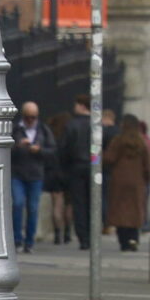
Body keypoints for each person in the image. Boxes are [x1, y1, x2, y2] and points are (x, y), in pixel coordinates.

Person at [11, 101, 56, 254]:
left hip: (36, 174)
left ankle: (29, 241)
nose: (31, 120)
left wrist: (40, 150)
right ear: (23, 116)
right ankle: (17, 239)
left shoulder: (43, 130)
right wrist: (18, 146)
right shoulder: (16, 130)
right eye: (28, 117)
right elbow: (5, 150)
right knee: (17, 204)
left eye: (34, 117)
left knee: (33, 208)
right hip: (18, 173)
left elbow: (52, 151)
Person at [102, 114, 150, 251]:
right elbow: (147, 164)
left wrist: (96, 156)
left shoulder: (118, 141)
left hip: (119, 180)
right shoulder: (142, 142)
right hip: (137, 181)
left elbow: (108, 159)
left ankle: (123, 241)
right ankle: (133, 238)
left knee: (120, 211)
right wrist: (146, 179)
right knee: (135, 211)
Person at [59, 94, 93, 249]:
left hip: (76, 166)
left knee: (79, 203)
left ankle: (83, 238)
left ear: (81, 106)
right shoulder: (96, 125)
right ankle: (92, 235)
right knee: (93, 202)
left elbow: (64, 148)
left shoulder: (71, 125)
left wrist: (64, 167)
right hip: (93, 166)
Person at [46, 111, 72, 244]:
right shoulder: (69, 136)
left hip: (54, 172)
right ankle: (68, 232)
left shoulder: (51, 135)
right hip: (68, 172)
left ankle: (57, 234)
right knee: (68, 204)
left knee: (56, 203)